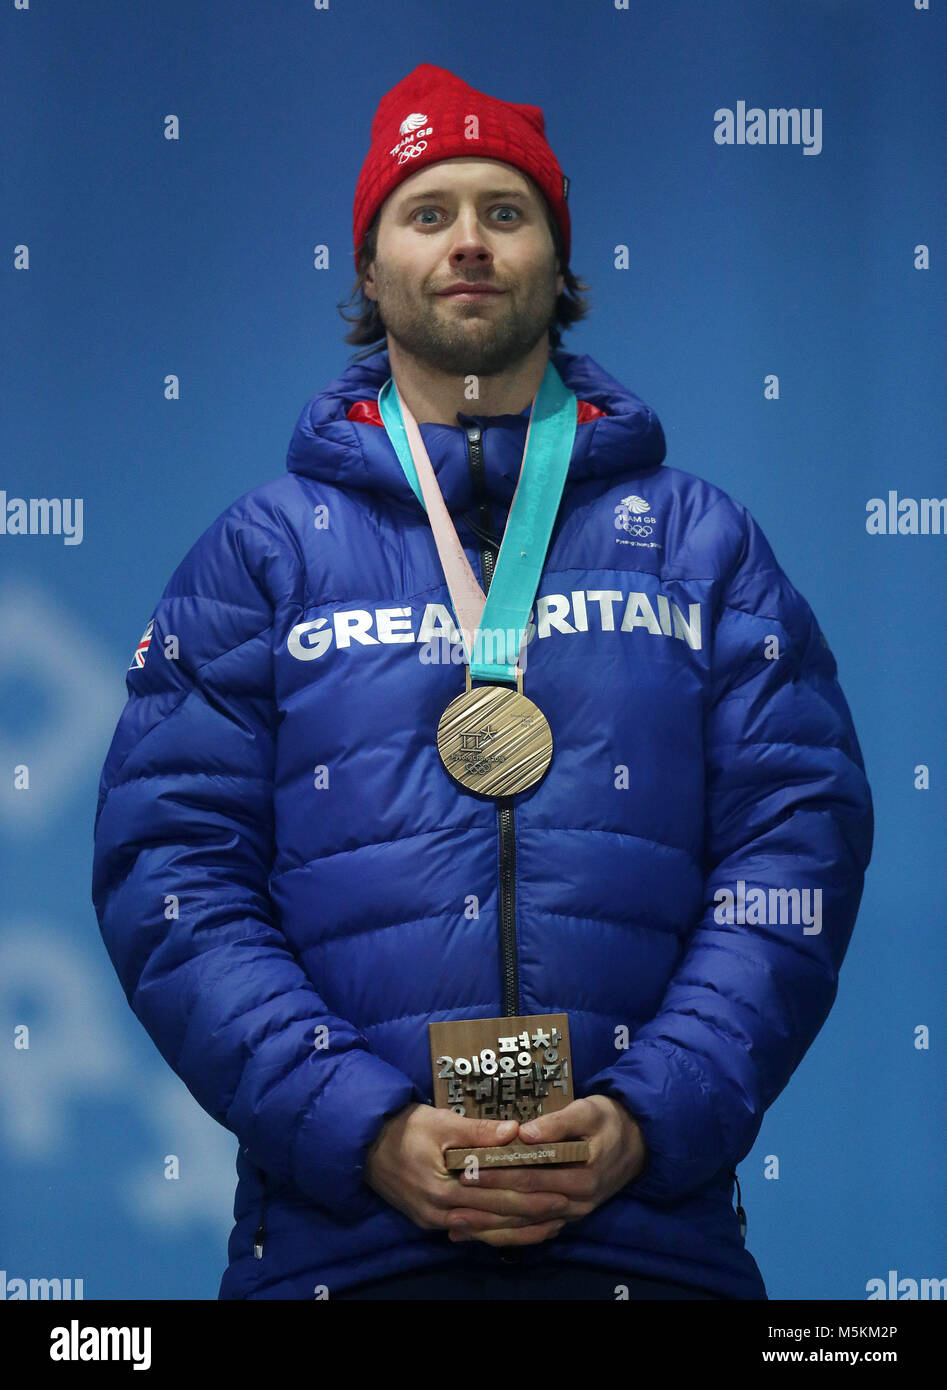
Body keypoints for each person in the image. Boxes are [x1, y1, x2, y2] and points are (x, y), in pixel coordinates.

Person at [91, 62, 873, 1302]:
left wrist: (644, 1114)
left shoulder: (701, 544)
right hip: (339, 1251)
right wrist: (362, 1127)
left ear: (556, 266)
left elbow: (794, 847)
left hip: (648, 1247)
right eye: (427, 210)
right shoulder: (260, 554)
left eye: (504, 213)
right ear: (367, 267)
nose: (466, 241)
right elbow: (171, 871)